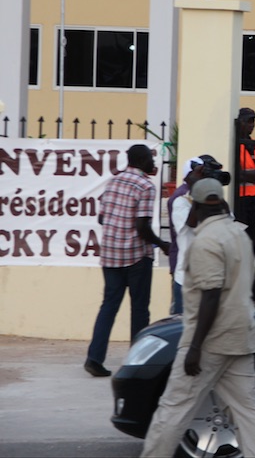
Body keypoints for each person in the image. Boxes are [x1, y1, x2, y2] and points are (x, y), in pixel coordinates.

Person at [140, 179, 255, 458]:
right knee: (248, 412)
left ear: (195, 207)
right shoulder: (238, 233)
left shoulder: (206, 241)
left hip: (210, 340)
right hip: (242, 335)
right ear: (221, 203)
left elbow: (211, 295)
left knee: (174, 408)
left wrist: (195, 347)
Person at [85, 144, 168, 377]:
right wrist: (162, 244)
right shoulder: (145, 186)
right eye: (151, 159)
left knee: (109, 306)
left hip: (110, 253)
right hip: (135, 255)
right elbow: (142, 226)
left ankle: (94, 358)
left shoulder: (113, 181)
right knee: (139, 309)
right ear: (142, 161)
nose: (154, 163)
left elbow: (102, 217)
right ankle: (137, 362)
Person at [168, 156, 207, 315]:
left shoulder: (210, 196)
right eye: (200, 174)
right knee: (180, 325)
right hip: (185, 274)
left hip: (206, 275)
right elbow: (190, 223)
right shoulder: (180, 198)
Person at [233, 108, 255, 237]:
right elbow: (238, 174)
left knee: (254, 235)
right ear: (240, 122)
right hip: (242, 199)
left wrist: (248, 175)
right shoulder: (236, 145)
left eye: (252, 122)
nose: (252, 125)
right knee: (242, 235)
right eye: (248, 122)